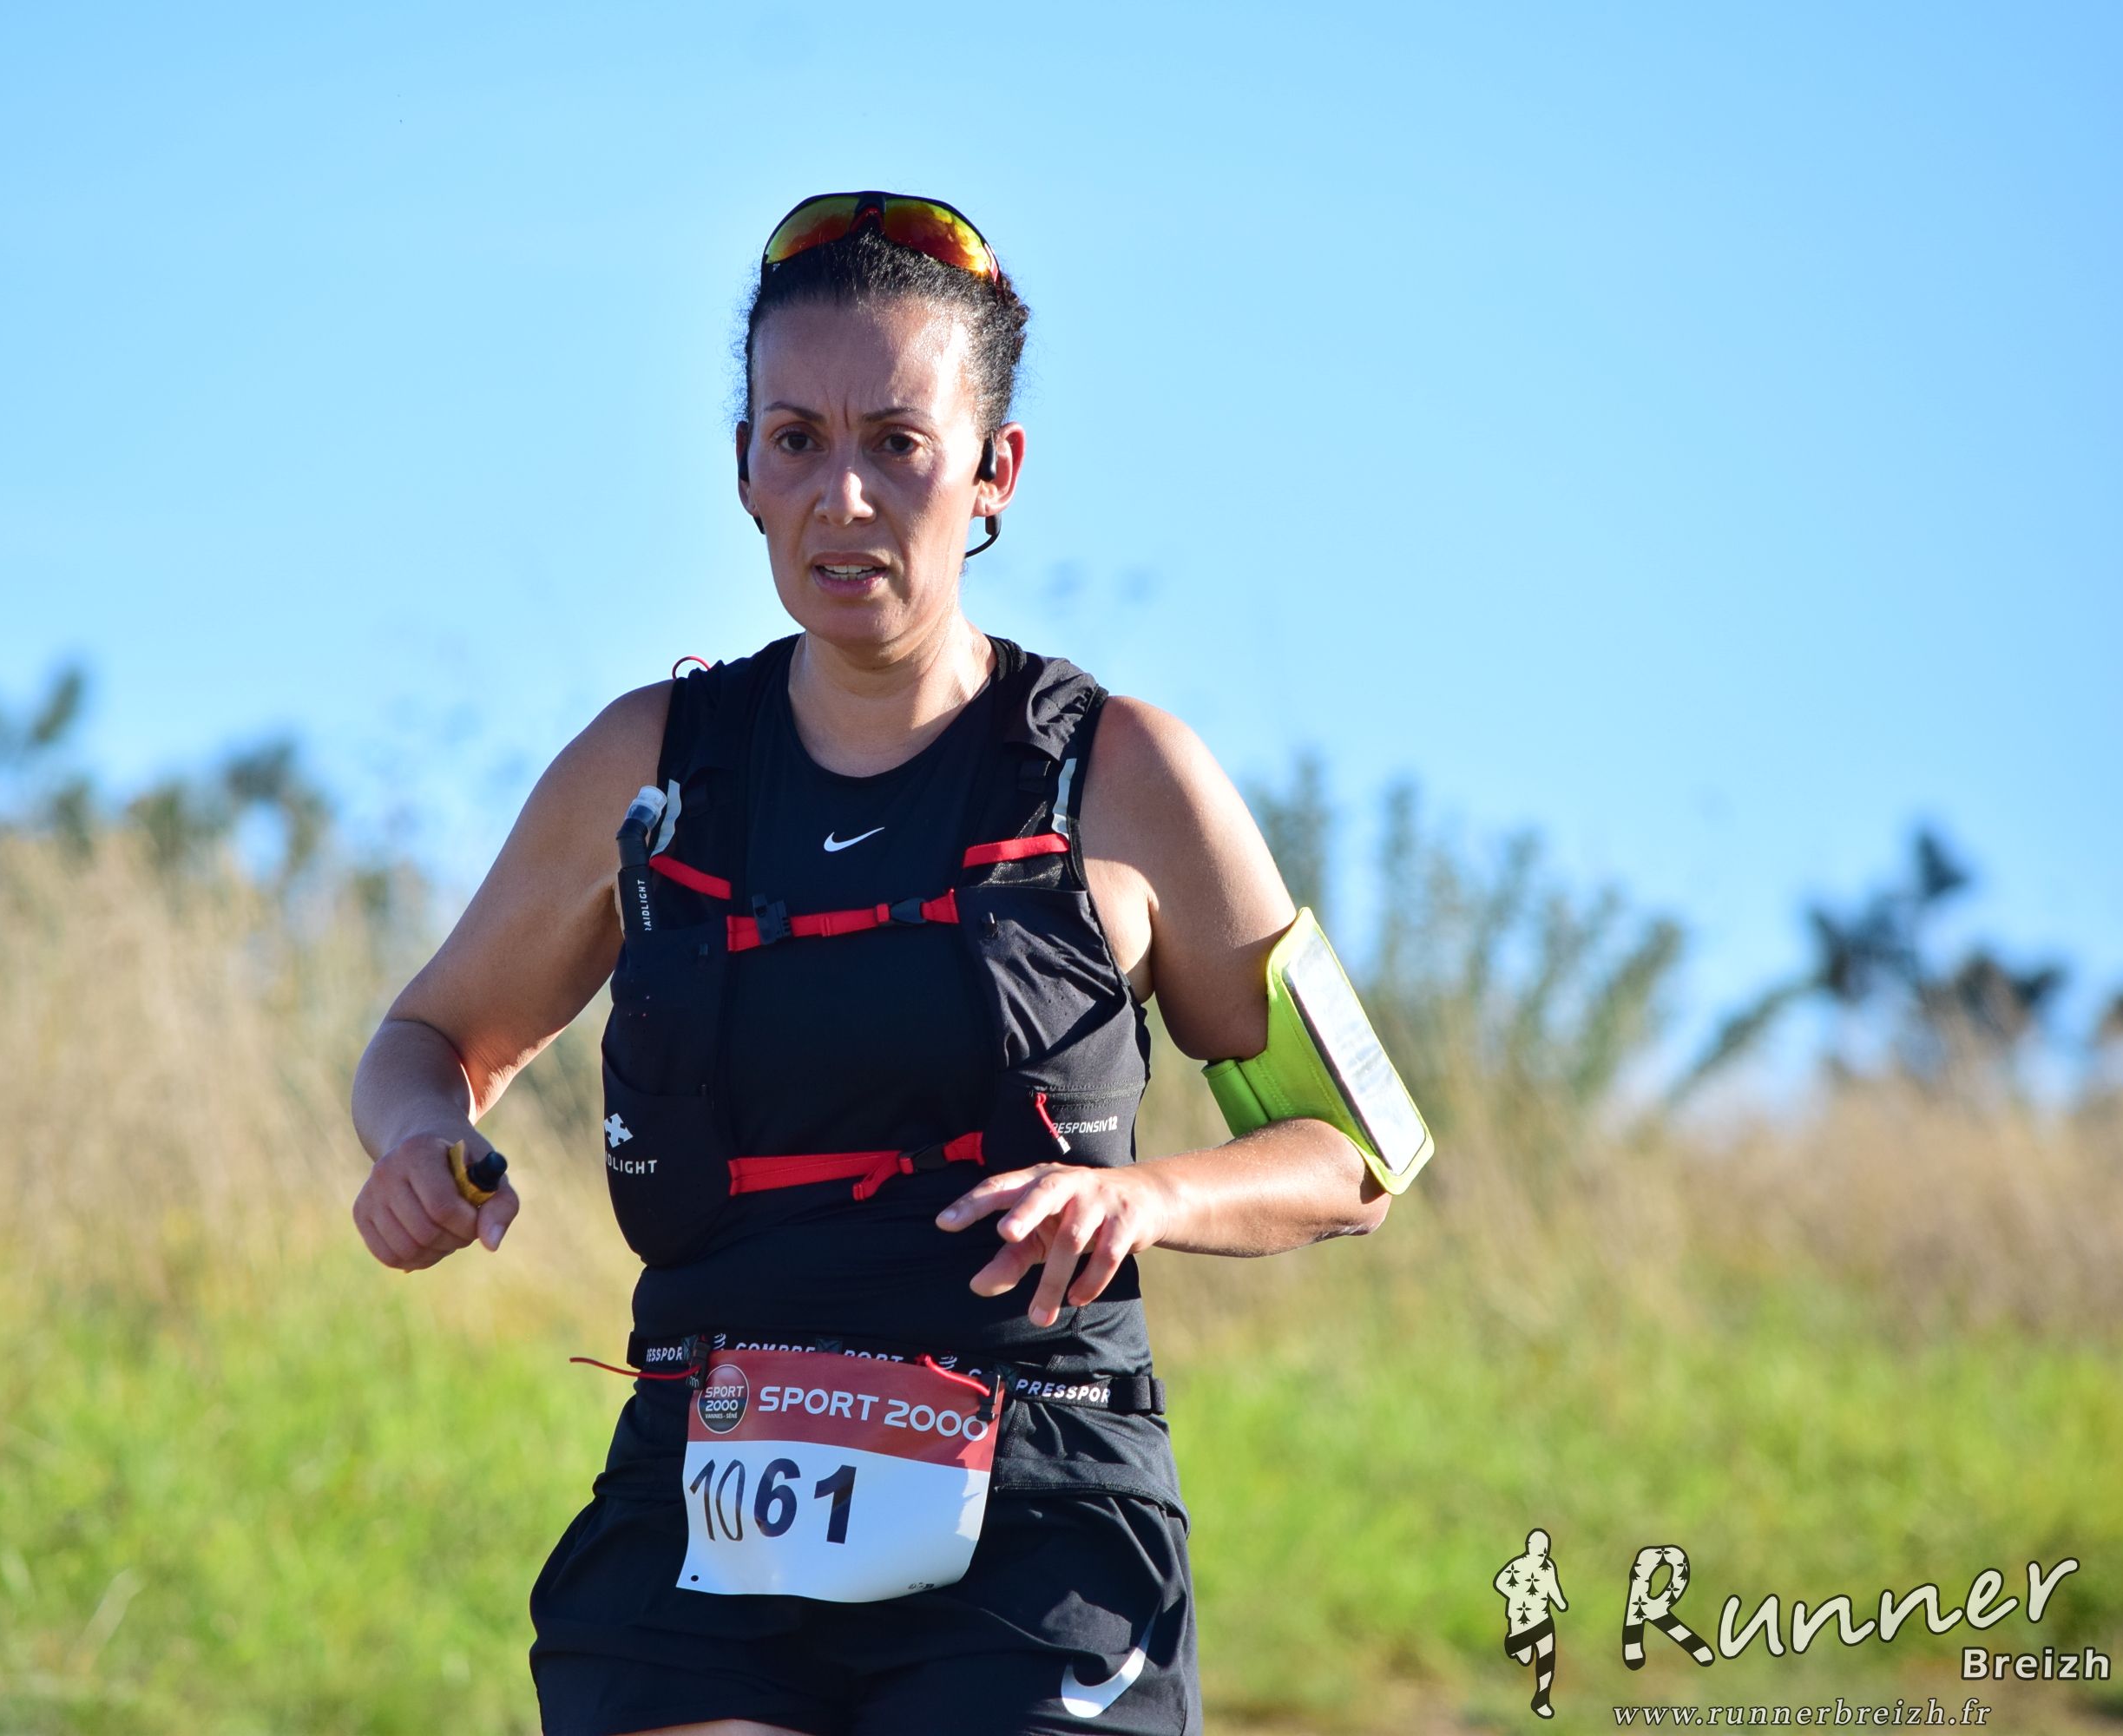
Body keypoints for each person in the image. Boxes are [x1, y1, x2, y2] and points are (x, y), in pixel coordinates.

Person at [350, 190, 1390, 1736]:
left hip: (1039, 1513)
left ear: (993, 470)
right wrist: (419, 1144)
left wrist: (1147, 1199)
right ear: (746, 471)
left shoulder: (1126, 777)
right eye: (797, 440)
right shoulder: (649, 769)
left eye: (898, 443)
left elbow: (1355, 1153)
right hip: (705, 1498)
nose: (843, 495)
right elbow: (429, 1040)